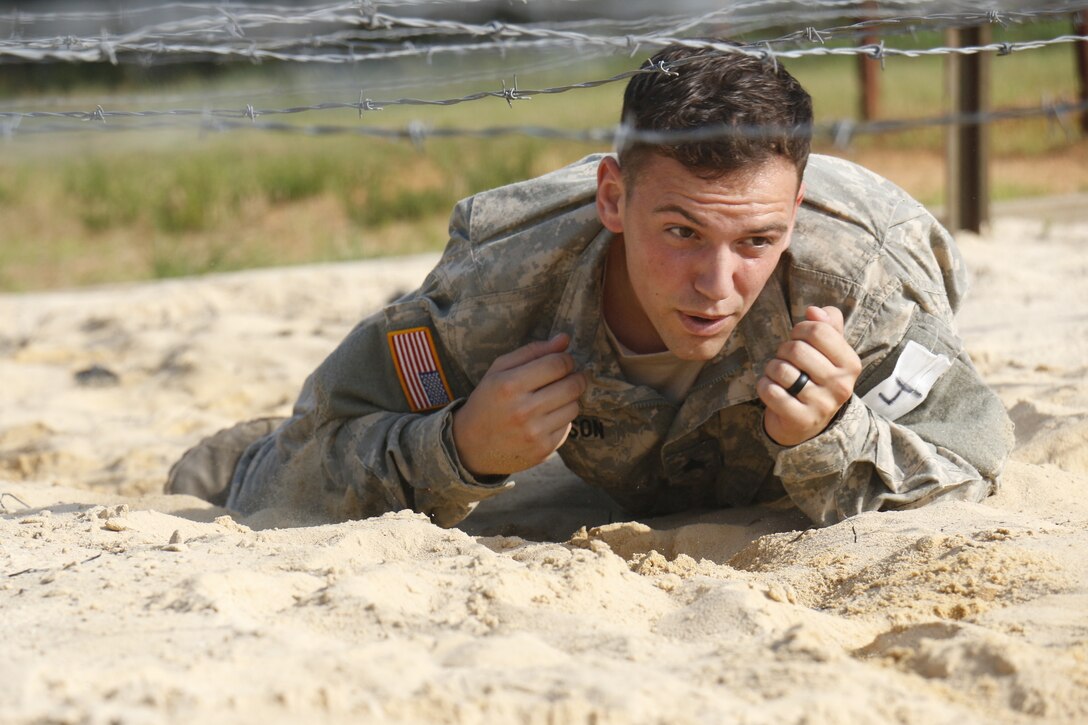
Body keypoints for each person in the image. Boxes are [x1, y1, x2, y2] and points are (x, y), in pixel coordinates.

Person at [166, 44, 1013, 528]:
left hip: (884, 240)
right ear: (614, 197)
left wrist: (838, 435)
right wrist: (460, 447)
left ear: (795, 210)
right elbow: (301, 472)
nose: (716, 283)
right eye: (680, 232)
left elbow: (973, 454)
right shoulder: (502, 286)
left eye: (756, 240)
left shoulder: (856, 281)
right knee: (253, 469)